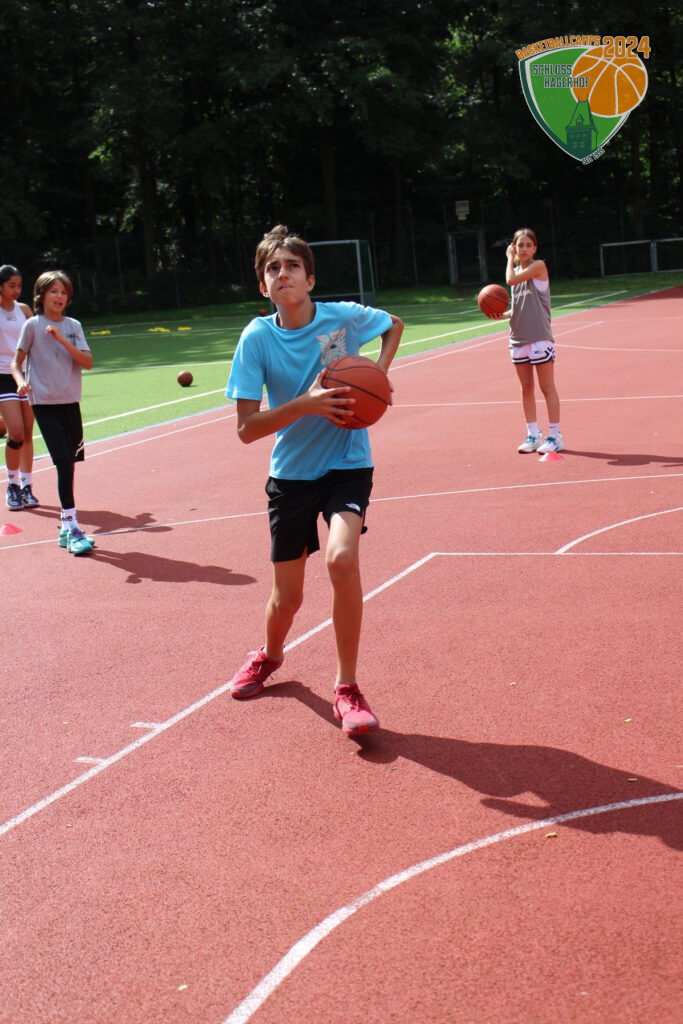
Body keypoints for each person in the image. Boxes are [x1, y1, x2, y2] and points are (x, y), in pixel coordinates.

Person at [226, 224, 404, 735]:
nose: (283, 274)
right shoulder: (257, 338)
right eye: (273, 268)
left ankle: (347, 687)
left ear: (310, 279)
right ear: (263, 285)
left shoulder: (341, 318)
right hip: (292, 475)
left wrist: (379, 373)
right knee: (288, 599)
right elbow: (246, 429)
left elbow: (393, 324)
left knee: (341, 559)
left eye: (293, 266)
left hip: (348, 463)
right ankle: (270, 654)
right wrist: (305, 404)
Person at [11, 270, 95, 555]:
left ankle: (65, 526)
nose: (59, 296)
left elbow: (87, 362)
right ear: (42, 295)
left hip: (70, 402)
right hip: (44, 403)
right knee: (62, 462)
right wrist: (21, 382)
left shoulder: (73, 326)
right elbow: (15, 363)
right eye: (53, 291)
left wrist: (62, 340)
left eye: (64, 292)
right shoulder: (32, 325)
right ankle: (72, 527)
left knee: (69, 464)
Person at [499, 228, 563, 454]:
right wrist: (502, 314)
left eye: (528, 245)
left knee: (547, 387)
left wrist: (509, 258)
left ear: (535, 248)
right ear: (515, 247)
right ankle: (533, 435)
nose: (524, 249)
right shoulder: (517, 271)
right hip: (518, 339)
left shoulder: (538, 267)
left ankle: (555, 436)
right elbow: (518, 306)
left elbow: (510, 280)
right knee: (526, 388)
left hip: (539, 338)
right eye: (520, 245)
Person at [0, 264, 39, 509]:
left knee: (26, 431)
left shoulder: (23, 310)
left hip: (26, 375)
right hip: (3, 376)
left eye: (19, 286)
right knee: (15, 432)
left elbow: (35, 340)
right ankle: (12, 485)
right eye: (11, 286)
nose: (16, 290)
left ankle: (27, 486)